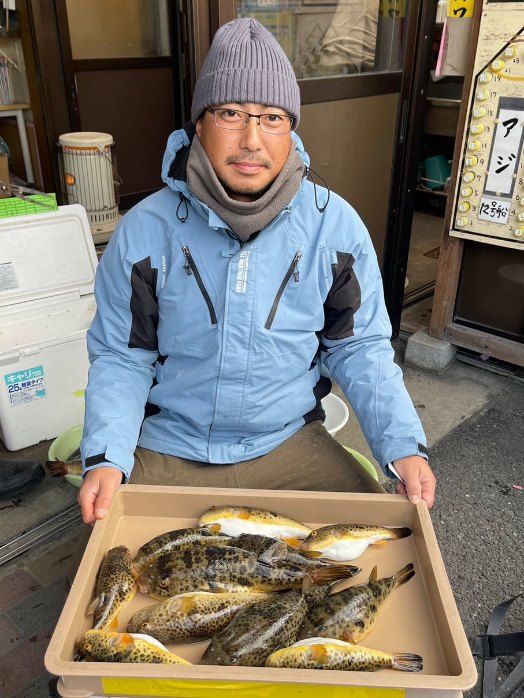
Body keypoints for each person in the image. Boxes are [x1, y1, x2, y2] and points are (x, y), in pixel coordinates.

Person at [78, 17, 435, 527]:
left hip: (287, 445)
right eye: (230, 113)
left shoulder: (333, 227)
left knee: (382, 545)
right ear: (199, 124)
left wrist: (402, 445)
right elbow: (122, 356)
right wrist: (107, 456)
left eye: (271, 117)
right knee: (112, 563)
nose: (252, 139)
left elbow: (359, 347)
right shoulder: (145, 230)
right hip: (169, 445)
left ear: (291, 129)